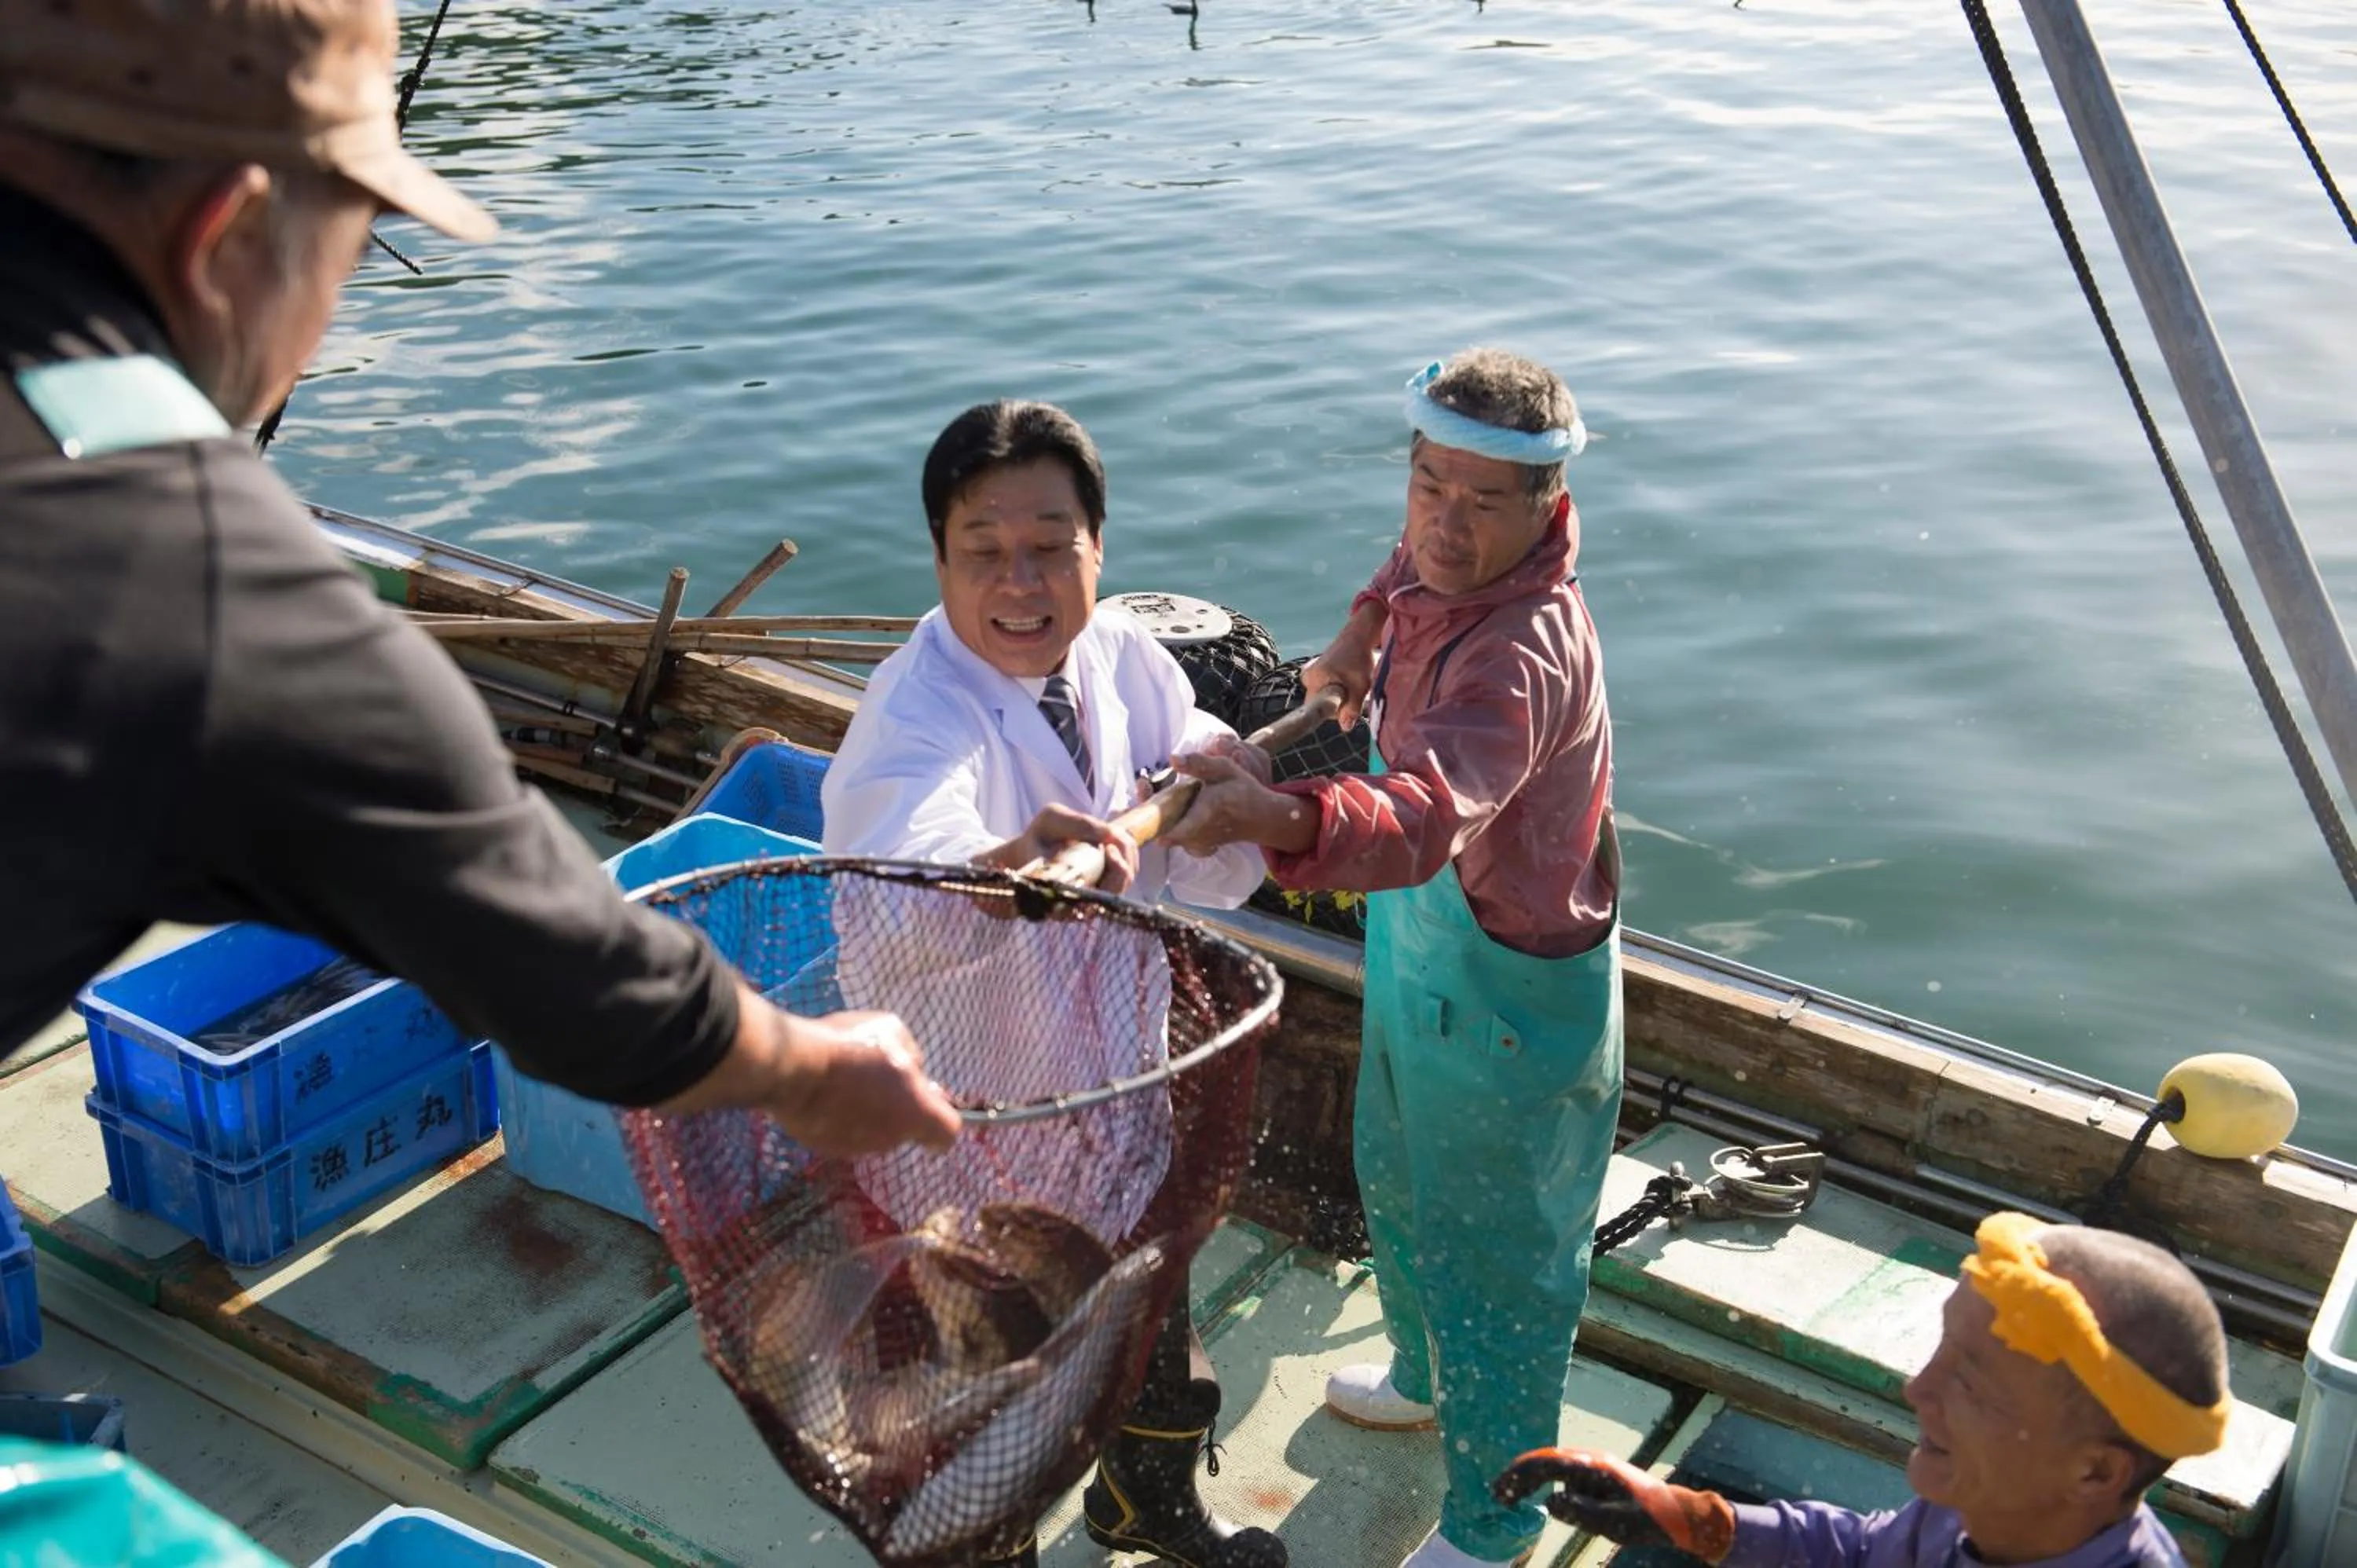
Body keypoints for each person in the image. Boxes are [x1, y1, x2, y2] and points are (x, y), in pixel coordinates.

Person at [0, 0, 959, 1159]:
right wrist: (809, 1068)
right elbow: (569, 974)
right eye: (350, 247)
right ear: (226, 232)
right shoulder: (210, 593)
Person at [1164, 347, 1621, 1568]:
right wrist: (1357, 643)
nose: (1445, 523)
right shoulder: (1435, 555)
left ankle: (1496, 1516)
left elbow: (1422, 814)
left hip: (1512, 990)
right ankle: (1424, 1377)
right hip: (1423, 944)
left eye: (1482, 501)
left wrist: (1272, 814)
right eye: (1430, 485)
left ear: (1548, 508)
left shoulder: (1519, 651)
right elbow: (1399, 575)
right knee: (1401, 1180)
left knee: (1504, 1265)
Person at [819, 398, 1282, 1568]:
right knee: (984, 1415)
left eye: (1050, 546)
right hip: (974, 1131)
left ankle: (1151, 1507)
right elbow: (899, 867)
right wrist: (1004, 868)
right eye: (984, 551)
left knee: (1155, 1348)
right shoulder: (912, 718)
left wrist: (1218, 782)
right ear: (938, 559)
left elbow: (1198, 803)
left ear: (1099, 549)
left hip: (1118, 1086)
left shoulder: (1122, 653)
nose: (1019, 582)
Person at [1494, 1214, 2231, 1567]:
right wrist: (1693, 1518)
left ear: (2094, 1472)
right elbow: (1864, 1552)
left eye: (1972, 1383)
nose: (1919, 1388)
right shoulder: (1975, 1511)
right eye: (1942, 1350)